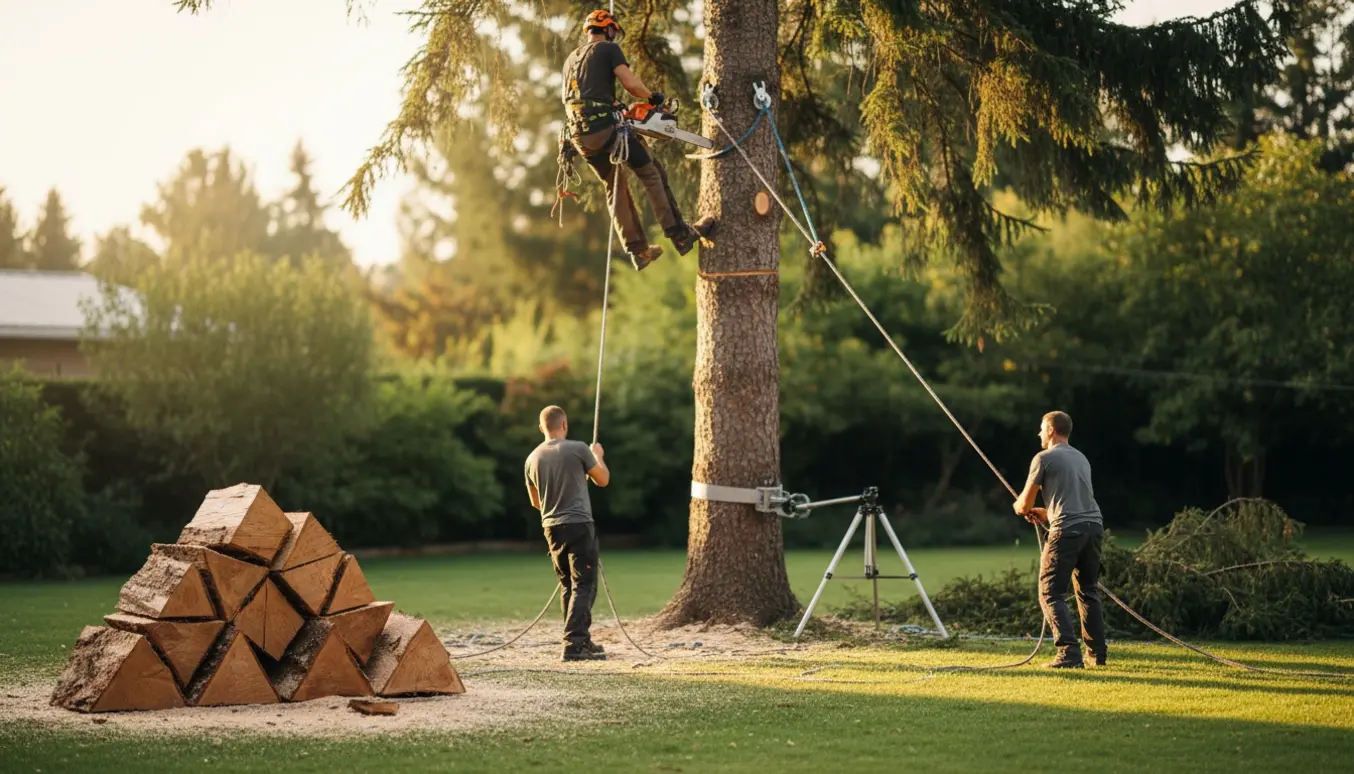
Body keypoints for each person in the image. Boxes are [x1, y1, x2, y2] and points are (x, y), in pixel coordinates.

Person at [561, 8, 716, 271]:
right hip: (605, 129)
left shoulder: (571, 59)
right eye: (613, 30)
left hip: (579, 135)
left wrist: (613, 105)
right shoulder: (607, 49)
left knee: (614, 187)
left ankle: (638, 251)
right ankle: (680, 235)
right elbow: (630, 83)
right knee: (651, 172)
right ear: (608, 29)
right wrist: (651, 97)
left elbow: (576, 98)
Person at [1012, 410, 1107, 669]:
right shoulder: (1081, 458)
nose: (1039, 433)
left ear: (1051, 430)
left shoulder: (1043, 458)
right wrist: (1047, 513)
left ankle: (1068, 654)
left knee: (1050, 592)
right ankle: (1096, 655)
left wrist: (1019, 507)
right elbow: (1074, 498)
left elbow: (1024, 504)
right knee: (1088, 591)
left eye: (1042, 429)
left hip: (1067, 531)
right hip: (1093, 527)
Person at [524, 405, 611, 661]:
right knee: (584, 585)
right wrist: (598, 456)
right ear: (564, 424)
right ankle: (575, 644)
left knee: (567, 586)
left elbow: (536, 502)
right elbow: (603, 479)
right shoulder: (579, 448)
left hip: (550, 527)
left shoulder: (531, 458)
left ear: (541, 428)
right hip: (579, 524)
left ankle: (580, 639)